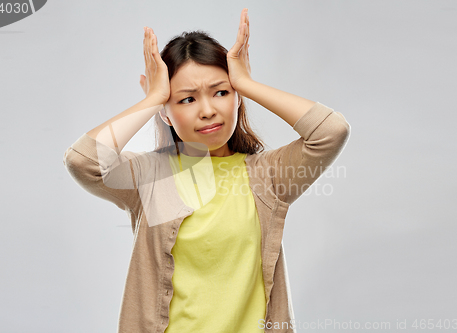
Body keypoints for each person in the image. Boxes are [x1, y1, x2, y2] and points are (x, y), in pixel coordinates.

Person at [63, 8, 350, 333]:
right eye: (186, 99)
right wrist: (153, 99)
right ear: (166, 113)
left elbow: (331, 132)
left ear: (236, 98)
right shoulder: (150, 177)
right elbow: (83, 161)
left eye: (221, 92)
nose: (208, 110)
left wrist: (246, 83)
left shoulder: (268, 175)